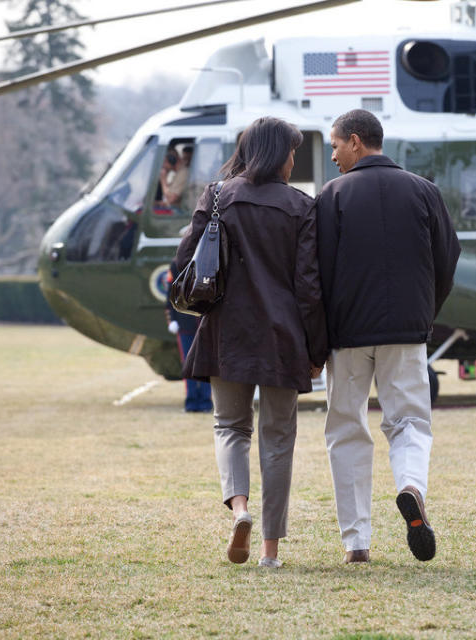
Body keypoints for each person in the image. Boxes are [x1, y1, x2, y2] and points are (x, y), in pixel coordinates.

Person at [171, 117, 328, 568]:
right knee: (278, 439)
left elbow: (186, 261)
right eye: (293, 152)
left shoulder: (217, 195)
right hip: (283, 338)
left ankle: (239, 510)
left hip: (226, 334)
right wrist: (316, 349)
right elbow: (309, 286)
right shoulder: (302, 205)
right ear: (280, 154)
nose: (294, 159)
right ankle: (270, 552)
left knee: (230, 427)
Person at [315, 109, 461, 564]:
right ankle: (411, 487)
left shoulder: (332, 195)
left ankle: (356, 543)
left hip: (347, 334)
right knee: (410, 422)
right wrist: (423, 313)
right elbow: (447, 259)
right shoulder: (424, 192)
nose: (334, 155)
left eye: (336, 145)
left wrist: (320, 336)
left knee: (346, 431)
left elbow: (317, 271)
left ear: (356, 141)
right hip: (407, 330)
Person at [165, 262, 213, 412]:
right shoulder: (176, 263)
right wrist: (171, 318)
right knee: (187, 363)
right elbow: (170, 292)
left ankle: (205, 401)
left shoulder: (209, 259)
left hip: (205, 321)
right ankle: (191, 401)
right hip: (185, 322)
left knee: (206, 363)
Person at [159, 143, 192, 208]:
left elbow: (171, 200)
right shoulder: (178, 174)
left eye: (164, 162)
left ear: (171, 160)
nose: (163, 166)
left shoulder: (183, 174)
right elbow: (170, 192)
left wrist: (163, 179)